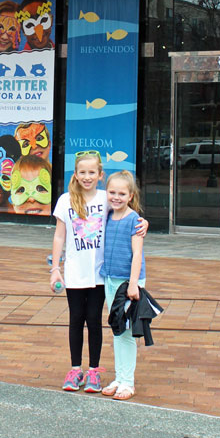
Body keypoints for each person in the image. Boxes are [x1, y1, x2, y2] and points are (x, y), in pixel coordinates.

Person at [50, 150, 108, 393]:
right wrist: (55, 268)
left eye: (92, 172)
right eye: (82, 172)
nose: (87, 177)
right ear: (75, 174)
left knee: (94, 320)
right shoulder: (65, 200)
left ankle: (94, 371)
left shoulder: (107, 199)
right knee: (76, 319)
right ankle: (76, 370)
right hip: (74, 272)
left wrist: (143, 224)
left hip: (100, 273)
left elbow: (129, 215)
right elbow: (59, 235)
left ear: (100, 175)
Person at [100, 170, 145, 401]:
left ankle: (128, 381)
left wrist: (133, 284)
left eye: (121, 193)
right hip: (110, 280)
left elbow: (137, 254)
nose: (116, 197)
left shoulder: (134, 220)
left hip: (127, 283)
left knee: (127, 334)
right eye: (112, 192)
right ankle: (120, 377)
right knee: (118, 331)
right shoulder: (107, 216)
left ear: (130, 196)